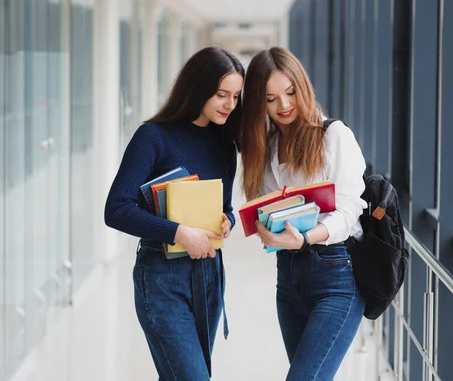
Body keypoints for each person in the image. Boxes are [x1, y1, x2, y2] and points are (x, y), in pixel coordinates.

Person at [104, 47, 244, 380]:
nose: (229, 104)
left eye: (236, 96)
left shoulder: (224, 145)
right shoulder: (153, 137)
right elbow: (116, 210)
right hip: (162, 277)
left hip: (209, 273)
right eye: (222, 94)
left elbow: (224, 207)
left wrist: (228, 220)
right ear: (197, 88)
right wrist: (180, 232)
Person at [239, 47, 366, 380]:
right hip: (289, 278)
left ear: (303, 86)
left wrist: (306, 237)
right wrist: (268, 229)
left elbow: (350, 210)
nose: (283, 105)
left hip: (335, 276)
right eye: (270, 99)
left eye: (290, 92)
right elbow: (267, 206)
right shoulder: (265, 148)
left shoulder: (334, 136)